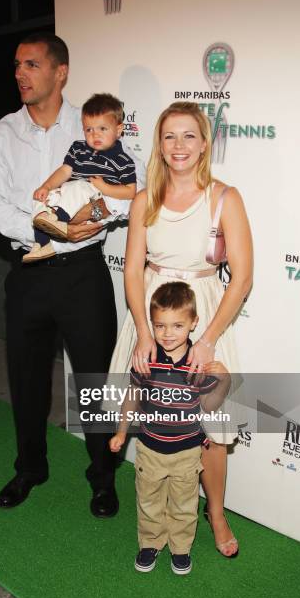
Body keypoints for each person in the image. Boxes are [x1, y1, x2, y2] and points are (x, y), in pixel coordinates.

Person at [0, 32, 144, 517]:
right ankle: (30, 468)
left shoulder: (93, 124)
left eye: (31, 64)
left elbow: (132, 186)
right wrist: (40, 226)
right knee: (26, 380)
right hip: (28, 271)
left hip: (84, 276)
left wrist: (96, 215)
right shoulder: (1, 134)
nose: (20, 74)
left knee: (93, 384)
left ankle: (102, 477)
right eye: (16, 66)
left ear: (60, 72)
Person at [109, 101, 253, 555]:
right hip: (153, 315)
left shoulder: (225, 197)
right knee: (156, 414)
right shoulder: (143, 200)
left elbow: (243, 276)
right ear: (159, 143)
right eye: (170, 136)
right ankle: (160, 511)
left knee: (210, 421)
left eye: (189, 135)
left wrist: (207, 338)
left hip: (206, 313)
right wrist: (144, 334)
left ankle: (215, 513)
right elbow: (132, 271)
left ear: (205, 143)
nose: (179, 146)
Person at [110, 282, 231, 574]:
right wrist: (121, 431)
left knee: (184, 505)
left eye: (177, 325)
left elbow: (210, 406)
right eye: (160, 325)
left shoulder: (196, 364)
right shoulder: (146, 359)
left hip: (188, 453)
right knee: (149, 501)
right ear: (151, 324)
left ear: (193, 323)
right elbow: (133, 397)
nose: (167, 334)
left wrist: (225, 380)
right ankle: (149, 543)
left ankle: (180, 548)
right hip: (149, 448)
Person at [24, 93, 136, 262]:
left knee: (80, 186)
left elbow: (131, 191)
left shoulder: (123, 160)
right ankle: (42, 244)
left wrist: (104, 187)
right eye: (89, 129)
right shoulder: (78, 148)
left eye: (102, 129)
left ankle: (58, 220)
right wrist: (46, 187)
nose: (95, 135)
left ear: (119, 130)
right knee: (41, 198)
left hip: (93, 195)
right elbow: (64, 171)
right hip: (69, 193)